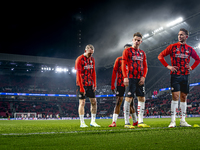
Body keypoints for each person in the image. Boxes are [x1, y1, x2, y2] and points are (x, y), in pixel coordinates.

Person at [158, 28, 200, 128]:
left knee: (184, 97)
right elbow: (160, 56)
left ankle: (183, 121)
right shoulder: (172, 47)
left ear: (186, 36)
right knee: (175, 96)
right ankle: (173, 121)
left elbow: (198, 59)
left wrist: (192, 67)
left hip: (185, 75)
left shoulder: (190, 49)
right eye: (179, 35)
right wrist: (168, 66)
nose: (180, 36)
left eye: (182, 35)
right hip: (175, 75)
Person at [122, 32, 150, 128]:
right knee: (128, 98)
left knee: (142, 98)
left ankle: (141, 122)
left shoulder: (142, 53)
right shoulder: (127, 51)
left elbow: (145, 66)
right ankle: (126, 122)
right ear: (132, 40)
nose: (137, 42)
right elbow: (123, 65)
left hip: (140, 78)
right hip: (130, 78)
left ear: (141, 41)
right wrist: (125, 76)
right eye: (135, 40)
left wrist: (143, 77)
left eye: (139, 40)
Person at [109, 44, 138, 128]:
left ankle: (135, 121)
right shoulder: (119, 60)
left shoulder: (134, 60)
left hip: (130, 84)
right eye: (125, 50)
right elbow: (114, 72)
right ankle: (114, 122)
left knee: (131, 103)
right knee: (118, 102)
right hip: (120, 84)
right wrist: (112, 85)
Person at [75, 44, 100, 128]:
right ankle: (82, 123)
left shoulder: (92, 59)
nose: (90, 55)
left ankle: (93, 121)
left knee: (94, 102)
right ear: (85, 51)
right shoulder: (79, 59)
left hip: (90, 84)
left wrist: (94, 84)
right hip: (81, 84)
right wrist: (81, 88)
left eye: (92, 53)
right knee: (82, 102)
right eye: (89, 53)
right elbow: (78, 74)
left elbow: (93, 72)